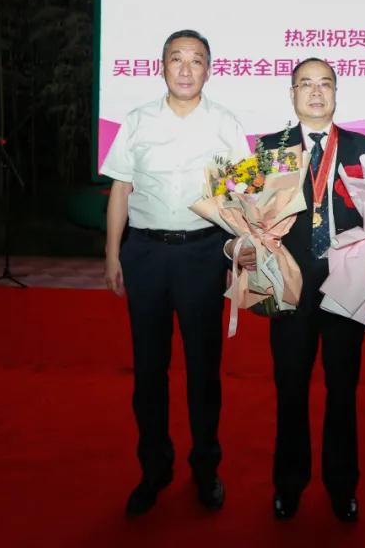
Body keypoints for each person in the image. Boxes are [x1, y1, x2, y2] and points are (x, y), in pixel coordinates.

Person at [250, 58, 365, 523]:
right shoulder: (271, 149)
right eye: (306, 84)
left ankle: (342, 486)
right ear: (292, 94)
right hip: (290, 287)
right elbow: (250, 215)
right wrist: (242, 246)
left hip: (348, 287)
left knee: (343, 390)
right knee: (290, 390)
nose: (316, 92)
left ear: (337, 93)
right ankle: (289, 485)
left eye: (325, 84)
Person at [101, 29, 248, 517]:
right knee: (148, 369)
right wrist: (113, 254)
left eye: (196, 60)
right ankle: (154, 469)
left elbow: (242, 195)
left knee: (203, 370)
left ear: (210, 69)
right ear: (160, 66)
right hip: (145, 253)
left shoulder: (225, 124)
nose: (186, 69)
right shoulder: (137, 121)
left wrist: (239, 249)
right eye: (176, 59)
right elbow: (121, 190)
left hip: (203, 254)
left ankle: (205, 468)